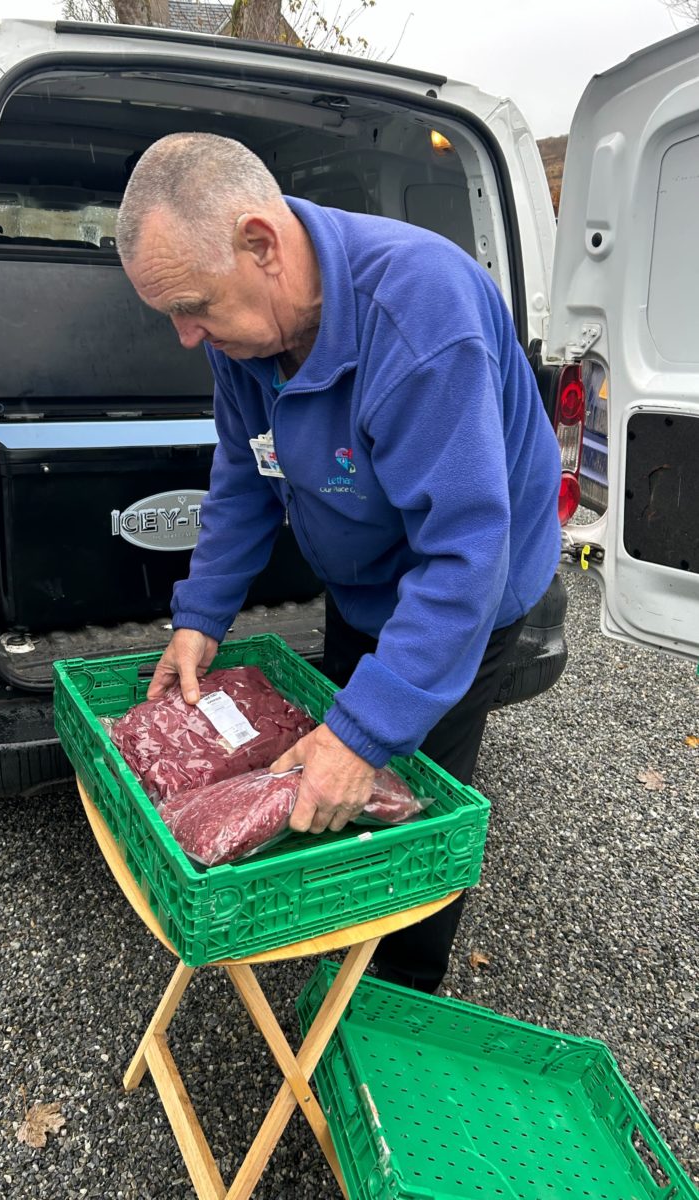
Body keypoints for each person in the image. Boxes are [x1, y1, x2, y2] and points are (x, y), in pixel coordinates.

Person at [115, 132, 561, 993]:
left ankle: (395, 998)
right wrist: (200, 616)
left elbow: (464, 556)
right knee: (322, 772)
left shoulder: (421, 318)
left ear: (261, 245)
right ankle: (331, 932)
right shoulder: (244, 337)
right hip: (365, 587)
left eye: (195, 306)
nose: (184, 335)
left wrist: (363, 736)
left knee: (404, 802)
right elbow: (247, 470)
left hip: (465, 596)